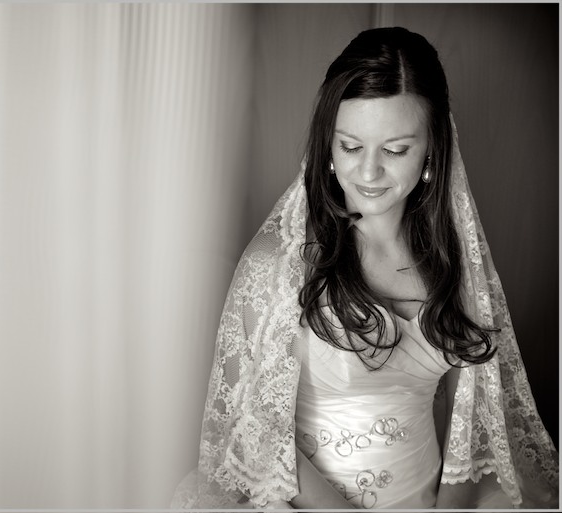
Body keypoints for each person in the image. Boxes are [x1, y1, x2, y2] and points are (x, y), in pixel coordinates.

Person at [172, 27, 558, 509]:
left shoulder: (454, 265)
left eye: (395, 150)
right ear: (328, 147)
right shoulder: (277, 264)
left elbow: (470, 425)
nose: (369, 173)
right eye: (351, 147)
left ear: (432, 152)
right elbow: (251, 427)